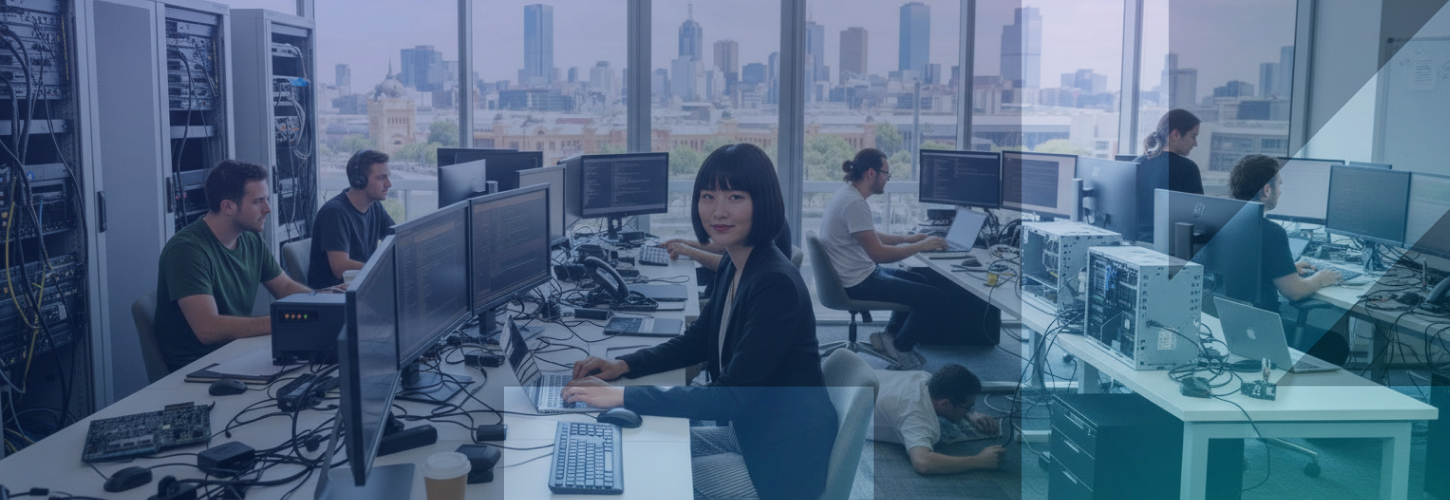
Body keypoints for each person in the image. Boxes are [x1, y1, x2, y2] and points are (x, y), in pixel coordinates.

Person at [562, 143, 838, 500]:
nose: (718, 211)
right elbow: (696, 341)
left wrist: (620, 396)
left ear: (763, 202)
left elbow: (729, 399)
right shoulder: (735, 263)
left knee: (644, 469)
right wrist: (623, 365)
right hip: (753, 430)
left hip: (779, 463)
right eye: (708, 196)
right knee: (640, 439)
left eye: (735, 196)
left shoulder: (775, 283)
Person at [155, 160, 313, 371]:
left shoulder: (250, 238)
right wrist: (285, 321)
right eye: (258, 201)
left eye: (266, 199)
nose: (268, 209)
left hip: (238, 354)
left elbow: (285, 288)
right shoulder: (187, 250)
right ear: (228, 206)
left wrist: (324, 302)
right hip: (198, 368)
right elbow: (208, 329)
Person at [820, 148, 951, 370]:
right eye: (886, 174)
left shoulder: (848, 193)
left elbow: (867, 234)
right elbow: (878, 254)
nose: (887, 180)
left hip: (855, 274)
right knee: (935, 298)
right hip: (857, 283)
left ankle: (888, 337)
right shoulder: (855, 203)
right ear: (871, 173)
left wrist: (906, 239)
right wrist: (921, 246)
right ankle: (902, 346)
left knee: (921, 280)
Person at [1229, 154, 1348, 363]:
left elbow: (1244, 268)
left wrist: (1286, 268)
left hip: (1232, 325)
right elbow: (1295, 292)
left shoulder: (1225, 222)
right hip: (1264, 330)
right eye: (1279, 185)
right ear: (1267, 190)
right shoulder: (1272, 232)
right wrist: (1321, 278)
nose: (1281, 191)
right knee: (1336, 345)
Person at [872, 364, 1007, 475]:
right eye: (968, 407)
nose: (970, 410)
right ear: (945, 404)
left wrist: (971, 414)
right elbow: (923, 463)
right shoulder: (915, 415)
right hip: (852, 406)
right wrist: (979, 460)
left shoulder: (925, 378)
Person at [307, 149, 396, 288]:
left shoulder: (374, 207)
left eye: (388, 176)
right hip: (334, 296)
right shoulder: (335, 213)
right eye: (381, 178)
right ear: (359, 180)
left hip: (362, 287)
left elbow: (396, 240)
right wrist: (383, 269)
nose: (389, 184)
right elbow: (340, 268)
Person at [1137, 108, 1205, 195]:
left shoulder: (1138, 162)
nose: (1195, 144)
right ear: (1176, 134)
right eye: (1193, 136)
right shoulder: (1187, 168)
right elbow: (1197, 206)